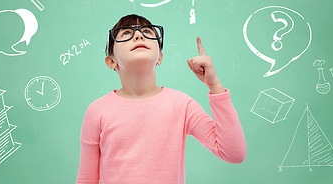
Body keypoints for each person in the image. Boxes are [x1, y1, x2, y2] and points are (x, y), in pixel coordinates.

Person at [76, 14, 247, 184]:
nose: (138, 35)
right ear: (111, 61)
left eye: (148, 32)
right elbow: (87, 178)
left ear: (160, 57)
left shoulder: (181, 104)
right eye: (126, 33)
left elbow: (234, 153)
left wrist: (214, 85)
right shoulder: (97, 110)